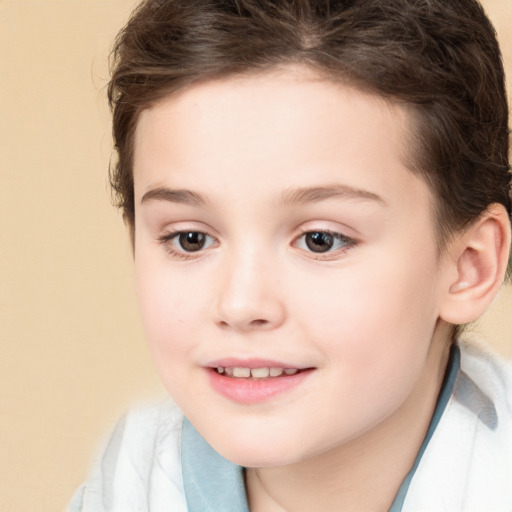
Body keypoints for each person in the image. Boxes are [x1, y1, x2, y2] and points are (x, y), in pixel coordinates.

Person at [69, 0, 512, 510]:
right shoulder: (126, 484)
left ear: (469, 266)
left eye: (320, 239)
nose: (239, 304)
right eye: (190, 238)